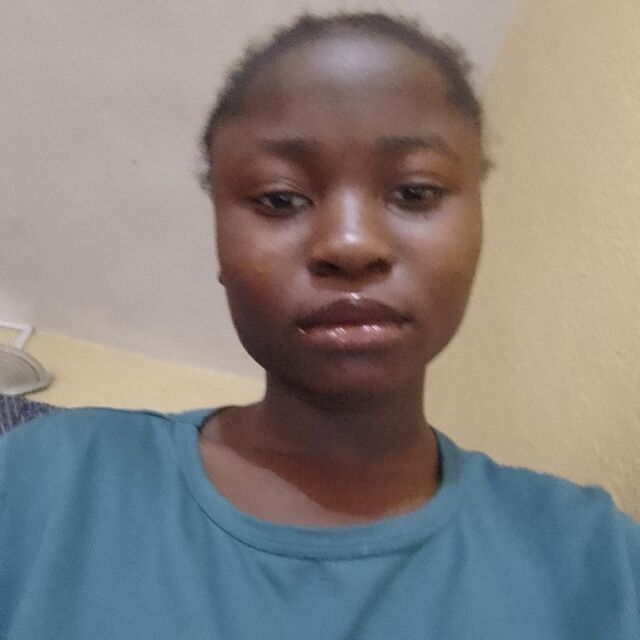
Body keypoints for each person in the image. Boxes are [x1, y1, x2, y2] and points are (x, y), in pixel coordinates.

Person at [1, 11, 638, 639]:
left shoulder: (598, 560)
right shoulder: (46, 479)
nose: (351, 244)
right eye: (280, 199)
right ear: (220, 239)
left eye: (415, 192)